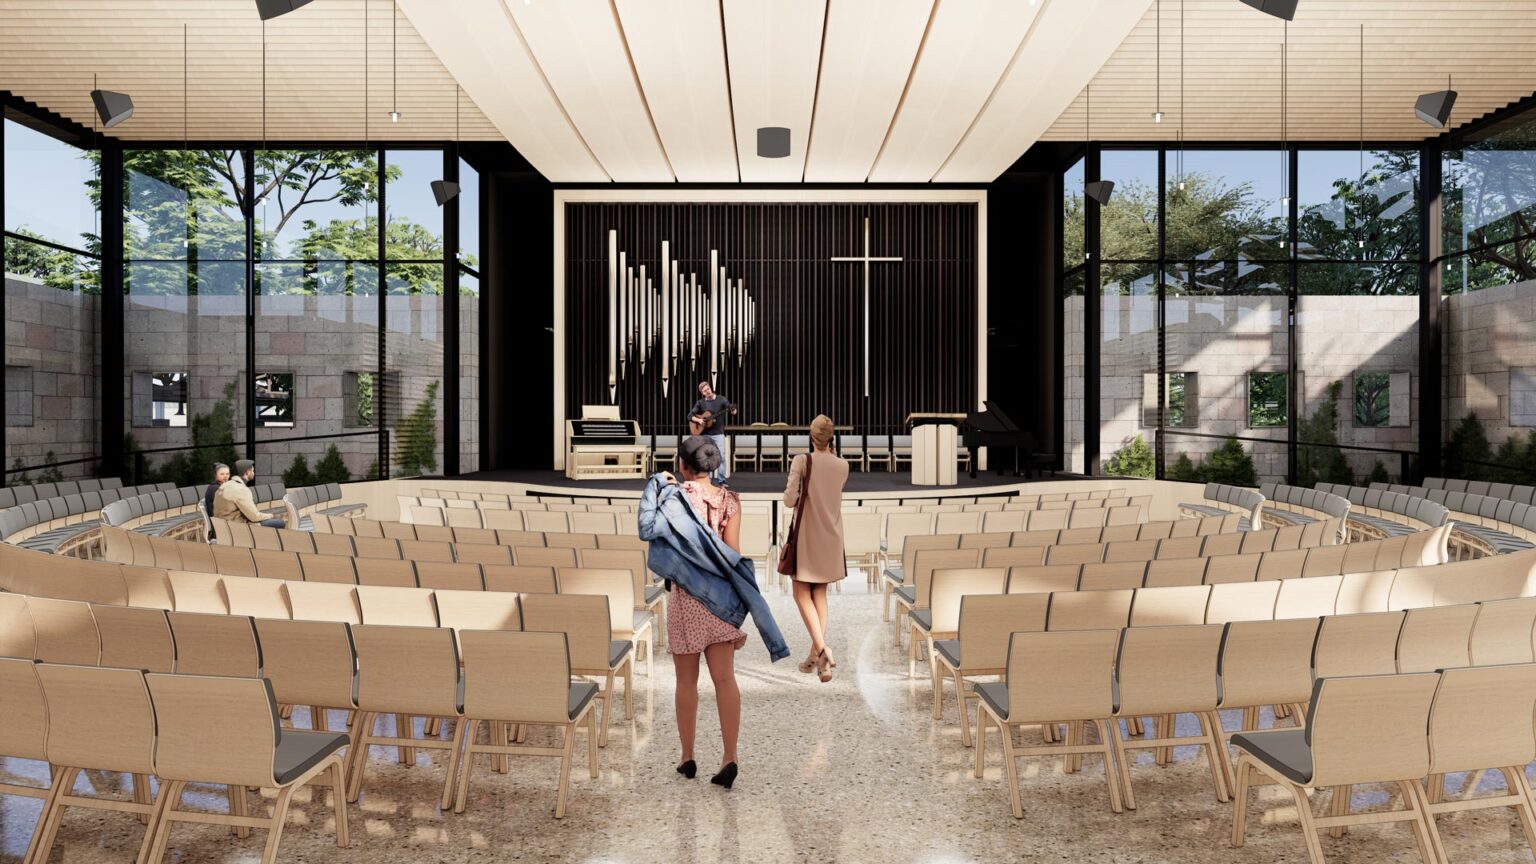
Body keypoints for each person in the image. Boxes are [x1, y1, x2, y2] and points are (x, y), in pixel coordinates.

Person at [637, 437, 788, 790]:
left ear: (683, 466)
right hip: (720, 600)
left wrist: (657, 482)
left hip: (687, 599)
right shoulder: (731, 500)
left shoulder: (674, 497)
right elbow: (731, 552)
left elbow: (648, 530)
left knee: (686, 682)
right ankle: (729, 756)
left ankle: (687, 756)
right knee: (725, 680)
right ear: (714, 466)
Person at [783, 415, 850, 682]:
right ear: (831, 438)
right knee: (819, 594)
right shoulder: (843, 465)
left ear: (811, 437)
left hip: (807, 534)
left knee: (801, 593)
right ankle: (819, 662)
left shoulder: (802, 461)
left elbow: (789, 500)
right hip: (831, 537)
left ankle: (822, 650)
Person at [214, 459, 286, 528]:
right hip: (237, 528)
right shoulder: (240, 490)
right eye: (253, 471)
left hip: (224, 526)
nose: (254, 473)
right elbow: (254, 517)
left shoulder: (226, 485)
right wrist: (270, 515)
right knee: (280, 523)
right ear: (247, 472)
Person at [688, 381, 736, 484]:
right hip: (705, 434)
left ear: (711, 388)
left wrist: (733, 410)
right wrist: (699, 420)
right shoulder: (701, 403)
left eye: (708, 389)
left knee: (721, 457)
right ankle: (708, 480)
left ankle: (722, 480)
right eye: (705, 391)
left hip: (718, 433)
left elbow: (731, 409)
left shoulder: (721, 399)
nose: (707, 391)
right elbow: (690, 416)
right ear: (702, 393)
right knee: (706, 458)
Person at [202, 462, 230, 537]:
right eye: (222, 474)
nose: (225, 476)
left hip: (219, 522)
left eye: (227, 474)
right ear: (215, 475)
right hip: (219, 525)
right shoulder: (216, 489)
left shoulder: (217, 487)